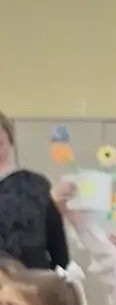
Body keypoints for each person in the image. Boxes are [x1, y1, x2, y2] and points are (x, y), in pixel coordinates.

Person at [0, 112, 69, 272]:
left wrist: (59, 278)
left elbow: (57, 243)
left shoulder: (36, 183)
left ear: (8, 136)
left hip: (33, 277)